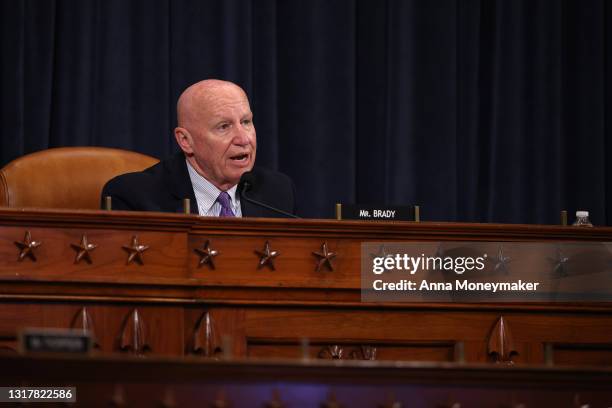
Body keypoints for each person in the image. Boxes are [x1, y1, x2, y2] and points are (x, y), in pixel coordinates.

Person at [101, 79, 296, 217]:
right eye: (224, 126)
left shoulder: (277, 192)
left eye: (246, 122)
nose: (243, 138)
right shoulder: (135, 199)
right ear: (185, 140)